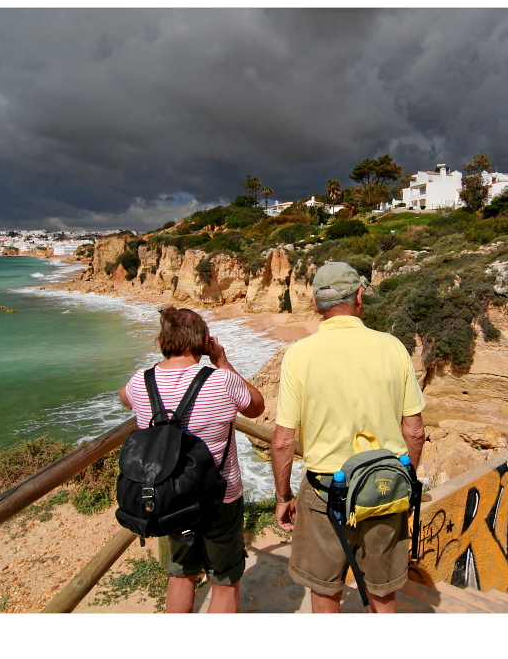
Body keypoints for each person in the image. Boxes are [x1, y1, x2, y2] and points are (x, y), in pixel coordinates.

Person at [271, 262, 425, 613]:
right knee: (383, 595)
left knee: (326, 595)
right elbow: (414, 431)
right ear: (359, 296)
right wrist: (405, 481)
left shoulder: (299, 355)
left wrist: (283, 496)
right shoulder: (392, 347)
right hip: (385, 488)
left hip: (325, 494)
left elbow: (282, 441)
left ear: (315, 304)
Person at [120, 307, 264, 613]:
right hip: (220, 496)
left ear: (161, 339)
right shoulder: (221, 380)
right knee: (225, 581)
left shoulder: (141, 382)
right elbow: (256, 407)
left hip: (172, 496)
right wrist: (222, 361)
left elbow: (125, 398)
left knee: (182, 573)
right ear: (204, 341)